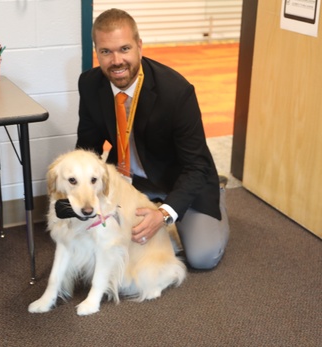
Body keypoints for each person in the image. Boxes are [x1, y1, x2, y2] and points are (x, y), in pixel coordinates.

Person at [75, 8, 230, 270]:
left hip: (178, 180)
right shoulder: (89, 84)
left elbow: (196, 166)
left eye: (124, 49)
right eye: (106, 52)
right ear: (97, 52)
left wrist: (164, 214)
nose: (116, 60)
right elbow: (87, 150)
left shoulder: (176, 92)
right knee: (91, 239)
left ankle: (219, 196)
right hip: (129, 180)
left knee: (202, 257)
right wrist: (81, 194)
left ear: (139, 46)